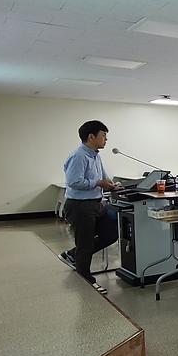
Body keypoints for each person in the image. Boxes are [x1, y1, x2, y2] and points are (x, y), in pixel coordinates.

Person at [60, 120, 121, 293]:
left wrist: (112, 185)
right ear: (91, 137)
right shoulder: (79, 156)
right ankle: (86, 281)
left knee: (111, 233)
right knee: (85, 244)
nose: (106, 139)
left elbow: (104, 176)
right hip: (80, 206)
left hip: (95, 204)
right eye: (103, 136)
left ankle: (73, 254)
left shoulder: (95, 155)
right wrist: (98, 183)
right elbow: (74, 182)